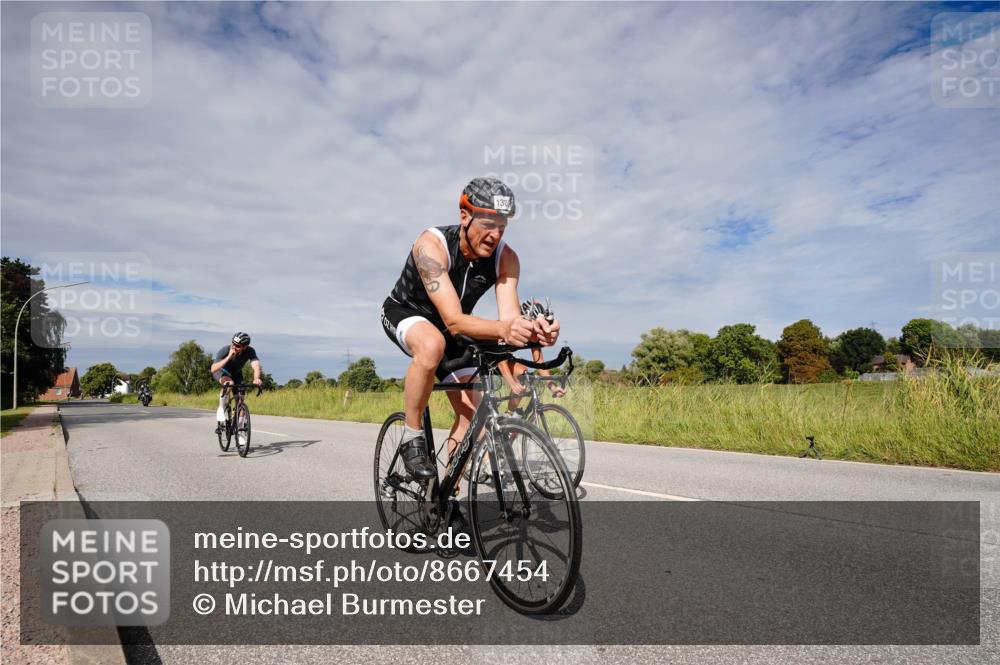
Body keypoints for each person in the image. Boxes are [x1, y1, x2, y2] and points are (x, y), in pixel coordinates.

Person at [380, 178, 560, 480]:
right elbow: (452, 319)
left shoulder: (507, 258)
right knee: (431, 344)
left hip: (455, 330)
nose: (495, 235)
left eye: (502, 226)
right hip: (408, 312)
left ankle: (445, 500)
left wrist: (537, 332)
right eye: (488, 223)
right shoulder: (430, 246)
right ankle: (412, 436)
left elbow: (509, 322)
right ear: (465, 216)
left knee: (472, 416)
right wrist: (505, 329)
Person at [210, 332, 262, 428]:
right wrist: (229, 356)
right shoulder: (225, 350)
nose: (234, 346)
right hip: (221, 371)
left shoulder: (250, 351)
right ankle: (221, 408)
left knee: (241, 400)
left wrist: (256, 379)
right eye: (233, 343)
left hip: (237, 374)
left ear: (245, 347)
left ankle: (240, 428)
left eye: (237, 345)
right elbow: (213, 369)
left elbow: (256, 366)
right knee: (229, 383)